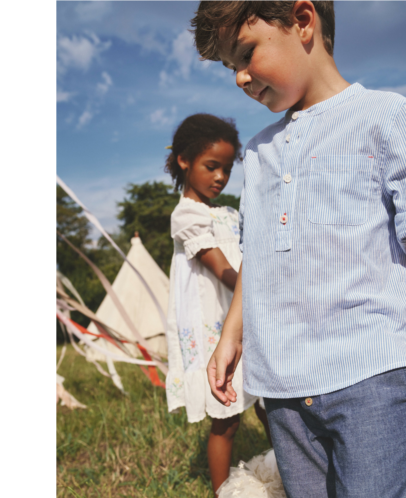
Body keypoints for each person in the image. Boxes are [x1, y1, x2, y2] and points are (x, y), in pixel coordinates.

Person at [192, 2, 406, 497]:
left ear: (303, 21)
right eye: (230, 68)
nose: (240, 78)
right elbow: (255, 252)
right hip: (281, 386)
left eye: (245, 54)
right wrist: (231, 336)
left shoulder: (389, 118)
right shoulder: (259, 152)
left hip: (367, 373)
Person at [164, 114, 272, 496]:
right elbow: (222, 268)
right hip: (217, 327)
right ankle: (222, 490)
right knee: (226, 420)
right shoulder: (187, 215)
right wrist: (259, 282)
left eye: (227, 169)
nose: (221, 177)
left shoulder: (226, 214)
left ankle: (291, 471)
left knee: (270, 404)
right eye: (212, 167)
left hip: (245, 322)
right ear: (184, 161)